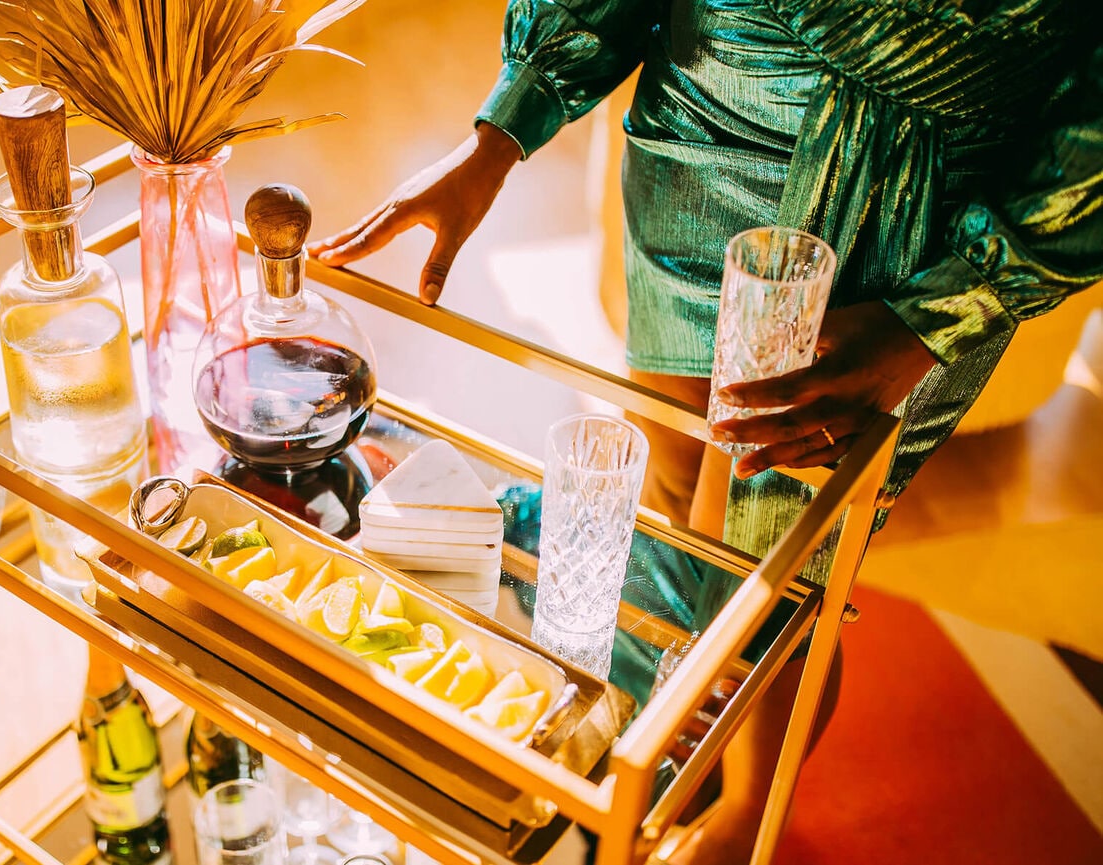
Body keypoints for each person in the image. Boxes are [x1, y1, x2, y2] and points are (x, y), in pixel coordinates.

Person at [310, 1, 1103, 863]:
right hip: (704, 115)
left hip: (920, 214)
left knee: (783, 570)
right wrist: (501, 131)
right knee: (679, 475)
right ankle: (669, 723)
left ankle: (744, 816)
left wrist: (941, 312)